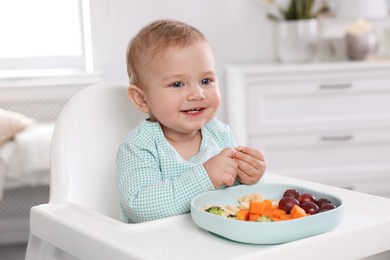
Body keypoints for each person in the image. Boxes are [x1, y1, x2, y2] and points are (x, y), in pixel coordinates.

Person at [116, 19, 266, 223]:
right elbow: (139, 206)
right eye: (177, 84)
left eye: (206, 81)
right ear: (142, 99)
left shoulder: (220, 134)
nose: (198, 93)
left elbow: (236, 201)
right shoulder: (140, 146)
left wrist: (250, 179)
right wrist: (205, 176)